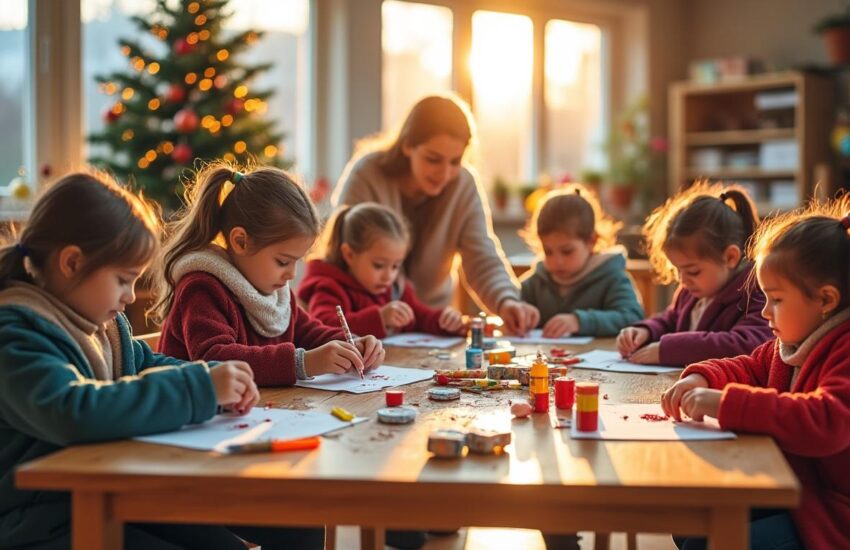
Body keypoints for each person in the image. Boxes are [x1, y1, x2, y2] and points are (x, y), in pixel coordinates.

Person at [0, 171, 323, 549]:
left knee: (282, 528)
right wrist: (198, 387)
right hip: (41, 520)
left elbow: (146, 362)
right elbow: (73, 409)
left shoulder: (103, 327)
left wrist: (210, 374)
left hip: (115, 488)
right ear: (71, 263)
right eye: (123, 280)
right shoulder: (15, 334)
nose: (131, 297)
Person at [662, 195, 850, 549]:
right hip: (799, 491)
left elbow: (825, 421)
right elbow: (749, 365)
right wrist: (701, 376)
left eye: (776, 300)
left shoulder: (844, 348)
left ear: (826, 300)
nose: (766, 313)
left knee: (705, 542)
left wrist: (726, 404)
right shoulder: (795, 342)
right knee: (690, 524)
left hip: (832, 517)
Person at [153, 164, 384, 386]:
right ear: (240, 241)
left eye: (297, 261)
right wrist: (303, 363)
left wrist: (352, 342)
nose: (292, 274)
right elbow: (215, 358)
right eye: (283, 261)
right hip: (195, 421)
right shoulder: (201, 288)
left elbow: (308, 331)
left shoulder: (273, 287)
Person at [332, 94, 539, 335]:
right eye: (433, 159)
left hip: (432, 325)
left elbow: (481, 255)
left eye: (455, 161)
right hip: (368, 324)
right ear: (407, 145)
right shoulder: (367, 174)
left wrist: (506, 301)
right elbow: (339, 251)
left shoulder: (463, 183)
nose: (445, 173)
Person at [617, 182, 771, 366]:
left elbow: (746, 344)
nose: (682, 280)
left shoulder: (757, 293)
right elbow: (671, 320)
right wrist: (645, 332)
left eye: (692, 271)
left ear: (730, 257)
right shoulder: (692, 290)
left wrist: (669, 350)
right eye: (677, 270)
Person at [299, 202, 466, 338]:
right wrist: (380, 317)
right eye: (379, 265)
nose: (389, 276)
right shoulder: (329, 286)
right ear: (349, 254)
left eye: (395, 266)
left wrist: (445, 320)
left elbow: (420, 316)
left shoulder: (396, 288)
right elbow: (324, 324)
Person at [519, 185, 644, 337]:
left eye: (567, 251)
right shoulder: (535, 282)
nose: (557, 261)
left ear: (591, 241)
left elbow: (632, 318)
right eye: (548, 251)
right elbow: (512, 305)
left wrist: (579, 321)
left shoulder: (613, 278)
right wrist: (516, 316)